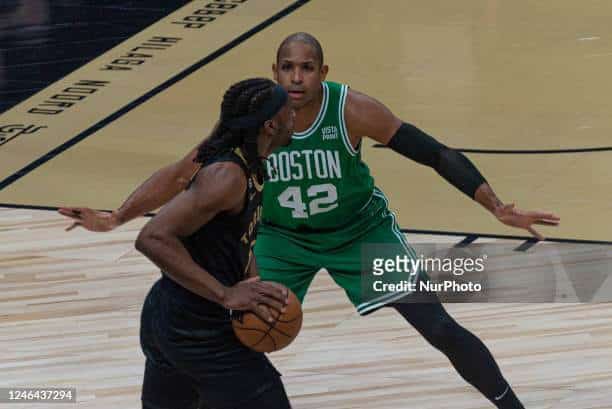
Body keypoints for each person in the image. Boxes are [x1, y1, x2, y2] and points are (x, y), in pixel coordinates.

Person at [60, 33, 560, 408]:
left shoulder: (353, 110)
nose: (296, 78)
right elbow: (179, 172)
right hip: (279, 240)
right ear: (274, 72)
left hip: (360, 233)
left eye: (307, 68)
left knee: (438, 325)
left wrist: (494, 205)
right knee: (225, 329)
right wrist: (115, 217)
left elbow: (433, 152)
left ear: (323, 71)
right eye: (287, 68)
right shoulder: (255, 118)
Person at [134, 77, 295, 409]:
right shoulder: (226, 177)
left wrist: (252, 281)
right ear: (270, 125)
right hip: (197, 328)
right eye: (289, 112)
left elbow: (237, 236)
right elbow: (152, 237)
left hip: (175, 317)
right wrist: (227, 294)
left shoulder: (251, 161)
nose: (295, 117)